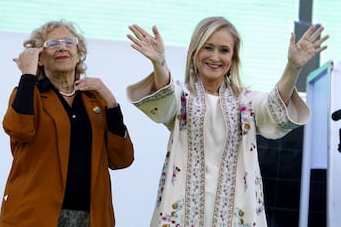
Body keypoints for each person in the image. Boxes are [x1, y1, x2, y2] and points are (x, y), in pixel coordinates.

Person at [126, 16, 329, 226]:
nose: (215, 56)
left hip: (236, 213)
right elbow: (164, 98)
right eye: (208, 47)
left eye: (224, 50)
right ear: (195, 53)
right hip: (182, 213)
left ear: (233, 59)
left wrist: (293, 67)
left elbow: (274, 108)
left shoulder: (246, 102)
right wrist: (159, 63)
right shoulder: (183, 98)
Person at [0, 19, 134, 227]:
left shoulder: (95, 100)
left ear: (78, 54)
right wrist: (28, 75)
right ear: (40, 58)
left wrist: (111, 103)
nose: (62, 47)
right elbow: (19, 130)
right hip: (36, 216)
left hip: (90, 218)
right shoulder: (28, 95)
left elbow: (121, 159)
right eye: (52, 44)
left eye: (69, 42)